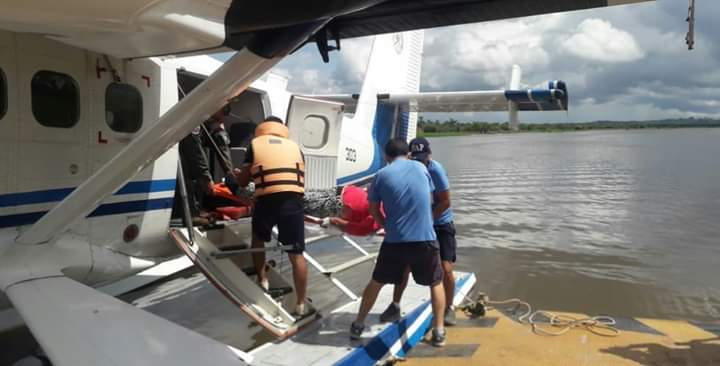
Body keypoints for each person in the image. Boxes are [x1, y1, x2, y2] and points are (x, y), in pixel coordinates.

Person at [349, 138, 447, 347]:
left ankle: (358, 324)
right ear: (408, 154)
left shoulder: (381, 175)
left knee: (376, 282)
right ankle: (439, 331)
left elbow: (373, 208)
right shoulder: (422, 170)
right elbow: (429, 200)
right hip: (425, 239)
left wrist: (386, 224)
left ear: (386, 156)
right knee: (435, 282)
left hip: (394, 240)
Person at [379, 137, 459, 326]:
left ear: (429, 155)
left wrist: (428, 219)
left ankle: (449, 307)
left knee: (446, 268)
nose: (419, 162)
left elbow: (446, 201)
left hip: (440, 223)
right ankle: (395, 305)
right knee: (404, 265)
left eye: (422, 158)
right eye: (415, 158)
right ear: (408, 156)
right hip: (418, 226)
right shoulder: (407, 169)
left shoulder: (435, 169)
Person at [234, 116, 309, 316]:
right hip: (293, 201)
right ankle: (301, 303)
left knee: (258, 239)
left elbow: (242, 181)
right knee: (297, 254)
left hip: (267, 200)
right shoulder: (295, 147)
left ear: (263, 128)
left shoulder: (255, 145)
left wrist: (237, 175)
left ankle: (262, 279)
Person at [318, 185, 383, 236]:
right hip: (339, 207)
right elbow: (360, 229)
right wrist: (333, 221)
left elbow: (370, 188)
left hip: (344, 191)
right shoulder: (383, 216)